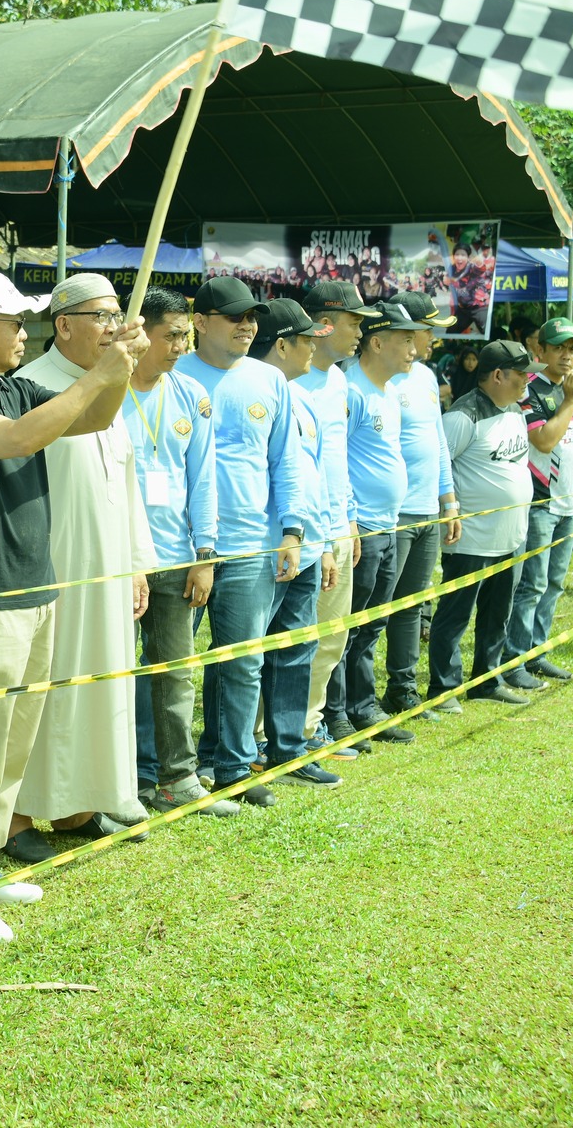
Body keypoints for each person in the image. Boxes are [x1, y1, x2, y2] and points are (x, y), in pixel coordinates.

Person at [0, 270, 140, 942]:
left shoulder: (13, 384)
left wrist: (116, 367)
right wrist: (97, 373)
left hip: (34, 591)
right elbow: (17, 438)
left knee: (11, 746)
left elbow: (96, 416)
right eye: (14, 322)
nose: (23, 333)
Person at [6, 274, 158, 849]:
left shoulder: (112, 389)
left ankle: (77, 805)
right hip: (52, 571)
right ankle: (18, 814)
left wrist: (137, 563)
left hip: (107, 569)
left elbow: (126, 481)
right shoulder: (30, 388)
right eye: (100, 315)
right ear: (63, 324)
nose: (113, 326)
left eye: (117, 314)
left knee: (100, 686)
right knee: (44, 692)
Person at [174, 277, 307, 801]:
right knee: (174, 665)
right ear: (200, 322)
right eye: (234, 317)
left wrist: (292, 530)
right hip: (181, 546)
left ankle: (231, 765)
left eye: (252, 317)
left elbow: (285, 461)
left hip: (253, 543)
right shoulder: (170, 374)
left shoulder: (270, 381)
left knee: (243, 660)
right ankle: (168, 770)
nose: (248, 325)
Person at [122, 288, 225, 812]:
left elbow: (204, 479)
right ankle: (126, 779)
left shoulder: (191, 396)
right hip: (117, 562)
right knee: (115, 676)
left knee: (175, 672)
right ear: (139, 333)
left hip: (177, 556)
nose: (181, 346)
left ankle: (177, 777)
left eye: (186, 335)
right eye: (172, 336)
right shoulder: (108, 392)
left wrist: (204, 553)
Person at [251, 298, 341, 787]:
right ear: (282, 344)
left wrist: (322, 542)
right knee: (243, 658)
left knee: (296, 650)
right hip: (262, 550)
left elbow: (316, 479)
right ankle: (237, 754)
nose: (315, 346)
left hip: (304, 549)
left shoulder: (304, 400)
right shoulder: (250, 397)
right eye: (307, 338)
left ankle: (288, 749)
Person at [330, 300, 428, 740]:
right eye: (406, 340)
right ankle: (335, 715)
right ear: (376, 341)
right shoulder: (350, 389)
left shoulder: (389, 392)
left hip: (388, 525)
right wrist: (350, 523)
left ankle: (362, 706)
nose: (415, 349)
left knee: (374, 623)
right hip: (361, 528)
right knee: (346, 628)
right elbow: (338, 460)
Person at [429, 340, 534, 708]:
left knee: (497, 615)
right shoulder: (462, 416)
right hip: (470, 539)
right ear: (497, 375)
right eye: (521, 373)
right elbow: (438, 467)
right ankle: (443, 688)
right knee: (455, 615)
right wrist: (451, 507)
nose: (527, 380)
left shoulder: (516, 411)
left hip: (510, 535)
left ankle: (487, 680)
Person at [378, 292, 460, 721]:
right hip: (392, 515)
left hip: (428, 510)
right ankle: (352, 700)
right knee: (377, 608)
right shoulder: (379, 378)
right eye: (429, 331)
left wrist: (448, 499)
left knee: (412, 604)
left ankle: (402, 687)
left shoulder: (426, 377)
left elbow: (438, 441)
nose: (433, 340)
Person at [295, 279, 365, 759]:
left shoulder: (340, 379)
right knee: (292, 641)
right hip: (300, 533)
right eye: (354, 322)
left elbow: (337, 458)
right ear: (324, 323)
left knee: (331, 637)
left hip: (339, 526)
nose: (360, 332)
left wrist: (351, 519)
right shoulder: (288, 380)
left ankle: (309, 725)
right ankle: (264, 733)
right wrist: (313, 538)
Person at [506, 316, 573, 685]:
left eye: (572, 349)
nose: (566, 356)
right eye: (558, 348)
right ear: (541, 350)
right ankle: (515, 659)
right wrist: (570, 400)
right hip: (542, 500)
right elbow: (543, 441)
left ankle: (539, 652)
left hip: (572, 499)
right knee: (532, 584)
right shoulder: (530, 389)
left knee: (554, 583)